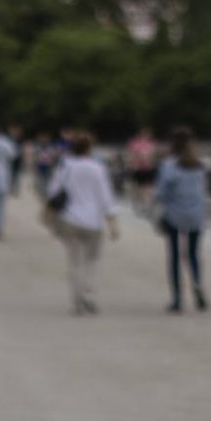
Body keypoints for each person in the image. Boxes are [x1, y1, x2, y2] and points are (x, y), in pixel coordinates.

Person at [46, 132, 120, 315]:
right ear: (90, 148)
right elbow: (105, 197)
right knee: (91, 261)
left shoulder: (65, 167)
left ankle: (76, 300)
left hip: (70, 219)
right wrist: (113, 222)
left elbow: (53, 191)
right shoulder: (97, 168)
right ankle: (88, 295)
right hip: (93, 221)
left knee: (74, 261)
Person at [154, 128, 209, 313]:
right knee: (193, 254)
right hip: (196, 214)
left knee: (175, 256)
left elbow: (161, 192)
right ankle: (197, 286)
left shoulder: (169, 166)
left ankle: (177, 299)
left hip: (174, 214)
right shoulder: (198, 165)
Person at [125, 127, 159, 214]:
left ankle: (146, 204)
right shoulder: (135, 143)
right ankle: (140, 201)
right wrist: (134, 162)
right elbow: (131, 155)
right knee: (139, 187)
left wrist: (151, 161)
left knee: (148, 186)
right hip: (138, 168)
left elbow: (154, 156)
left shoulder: (151, 144)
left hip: (148, 168)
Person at [7, 125, 26, 197]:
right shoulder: (9, 139)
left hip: (18, 160)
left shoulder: (21, 140)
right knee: (10, 175)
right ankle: (10, 189)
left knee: (17, 176)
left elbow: (23, 150)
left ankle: (16, 190)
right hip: (11, 159)